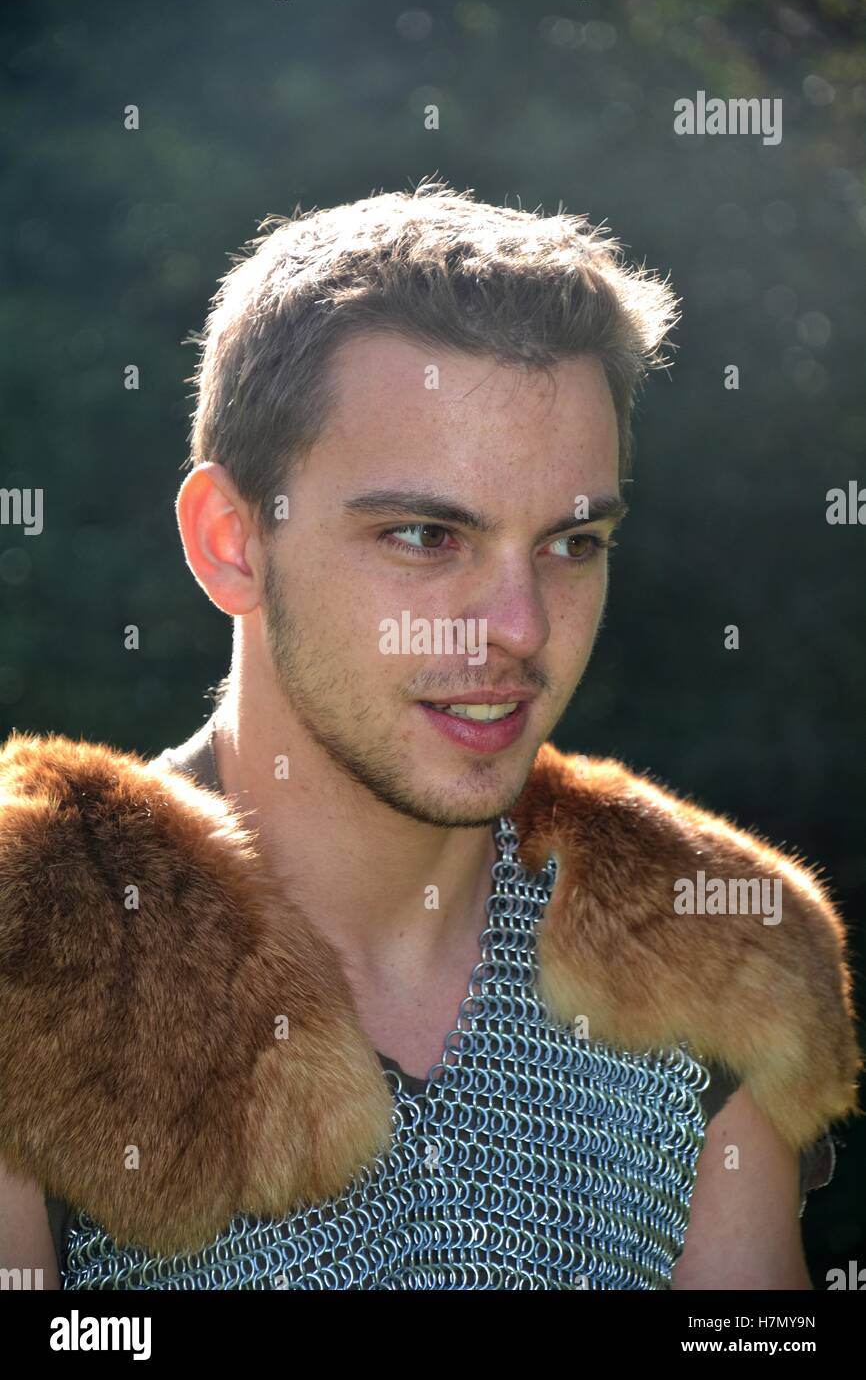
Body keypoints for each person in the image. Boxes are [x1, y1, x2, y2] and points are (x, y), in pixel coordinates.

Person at [0, 182, 859, 1291]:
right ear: (230, 542)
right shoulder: (35, 955)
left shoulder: (706, 960)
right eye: (424, 534)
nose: (519, 628)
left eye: (571, 542)